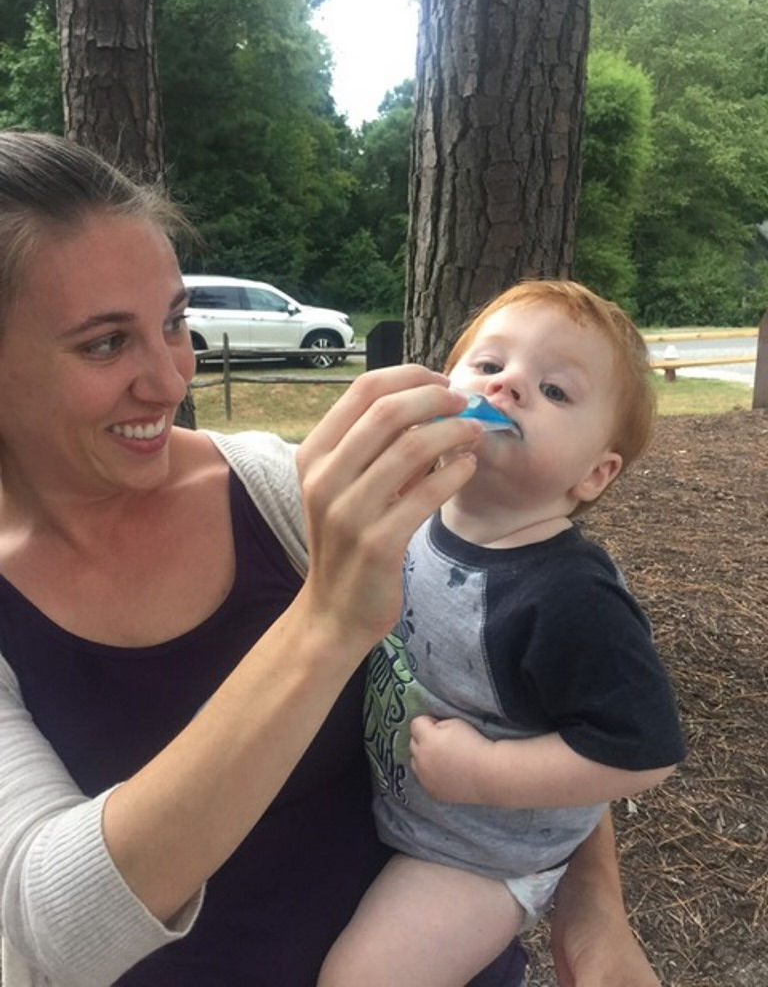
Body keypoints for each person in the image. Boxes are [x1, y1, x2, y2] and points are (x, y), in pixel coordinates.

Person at [0, 129, 663, 987]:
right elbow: (51, 926)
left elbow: (517, 680)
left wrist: (592, 908)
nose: (170, 380)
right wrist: (325, 623)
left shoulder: (285, 492)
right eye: (104, 343)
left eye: (173, 323)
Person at [319, 281, 686, 987]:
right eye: (489, 367)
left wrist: (487, 774)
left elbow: (646, 754)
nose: (511, 384)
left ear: (594, 474)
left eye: (554, 390)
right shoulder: (418, 513)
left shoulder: (569, 595)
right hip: (400, 802)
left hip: (480, 855)